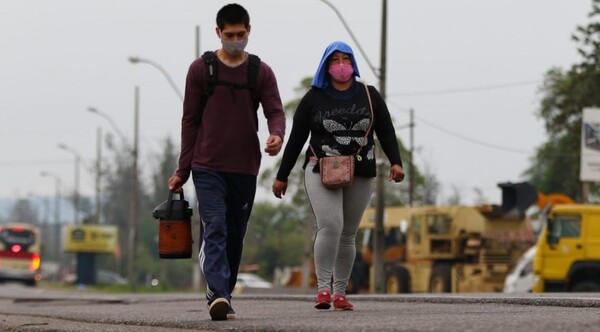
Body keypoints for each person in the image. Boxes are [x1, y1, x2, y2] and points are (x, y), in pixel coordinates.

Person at [168, 3, 286, 321]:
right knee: (215, 227)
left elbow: (275, 110)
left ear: (249, 32)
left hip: (245, 167)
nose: (235, 39)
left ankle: (224, 293)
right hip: (206, 166)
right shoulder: (201, 70)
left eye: (241, 34)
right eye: (229, 34)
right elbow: (189, 120)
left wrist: (277, 135)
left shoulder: (259, 72)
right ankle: (217, 293)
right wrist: (183, 170)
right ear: (218, 33)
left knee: (235, 234)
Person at [272, 41, 404, 311]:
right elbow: (297, 139)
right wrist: (282, 175)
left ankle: (340, 292)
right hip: (321, 169)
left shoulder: (369, 95)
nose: (341, 65)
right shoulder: (313, 98)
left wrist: (396, 162)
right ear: (325, 66)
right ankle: (322, 290)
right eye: (335, 60)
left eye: (346, 59)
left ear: (353, 64)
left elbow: (386, 131)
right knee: (330, 225)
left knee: (348, 234)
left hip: (362, 169)